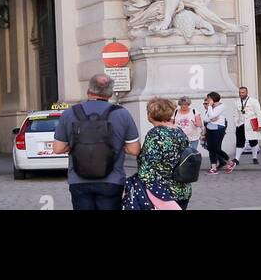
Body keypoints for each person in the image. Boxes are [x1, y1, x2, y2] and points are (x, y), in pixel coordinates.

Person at [50, 73, 140, 211]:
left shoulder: (69, 113)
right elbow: (134, 150)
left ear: (88, 90)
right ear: (110, 93)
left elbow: (57, 148)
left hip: (79, 181)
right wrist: (115, 145)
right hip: (112, 181)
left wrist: (77, 143)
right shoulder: (122, 114)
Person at [124, 98, 194, 210]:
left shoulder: (155, 134)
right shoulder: (179, 131)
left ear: (151, 115)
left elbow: (147, 166)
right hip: (182, 188)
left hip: (162, 192)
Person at [203, 92, 232, 173]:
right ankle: (213, 168)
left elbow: (211, 116)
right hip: (210, 128)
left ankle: (230, 162)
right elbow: (206, 119)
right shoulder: (211, 107)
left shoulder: (221, 106)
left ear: (213, 98)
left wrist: (210, 110)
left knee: (216, 148)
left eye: (208, 98)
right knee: (210, 148)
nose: (207, 100)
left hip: (219, 128)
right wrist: (211, 116)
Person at [235, 86, 261, 162]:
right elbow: (236, 114)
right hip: (241, 124)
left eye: (243, 92)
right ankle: (236, 159)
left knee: (253, 141)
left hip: (251, 125)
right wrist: (236, 123)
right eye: (240, 92)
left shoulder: (254, 101)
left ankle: (254, 158)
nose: (241, 94)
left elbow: (259, 113)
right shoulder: (237, 102)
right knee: (239, 141)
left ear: (247, 92)